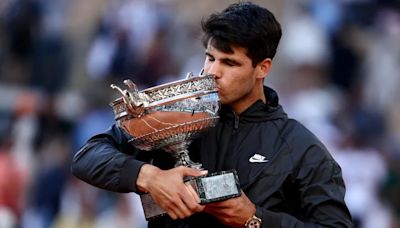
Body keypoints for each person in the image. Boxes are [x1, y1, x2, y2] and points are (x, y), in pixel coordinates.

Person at [72, 2, 353, 227]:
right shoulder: (172, 117)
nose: (212, 72)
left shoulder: (300, 147)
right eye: (210, 57)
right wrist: (148, 176)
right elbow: (87, 157)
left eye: (229, 63)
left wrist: (256, 220)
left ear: (262, 68)